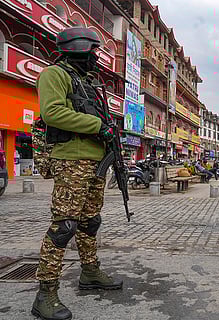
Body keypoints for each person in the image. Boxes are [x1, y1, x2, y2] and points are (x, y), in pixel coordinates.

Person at [33, 27, 122, 320]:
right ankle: (45, 293)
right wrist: (98, 127)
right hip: (72, 161)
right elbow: (52, 113)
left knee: (89, 222)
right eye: (93, 52)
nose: (96, 57)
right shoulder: (54, 75)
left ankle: (90, 272)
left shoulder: (88, 82)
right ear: (80, 50)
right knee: (64, 226)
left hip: (94, 161)